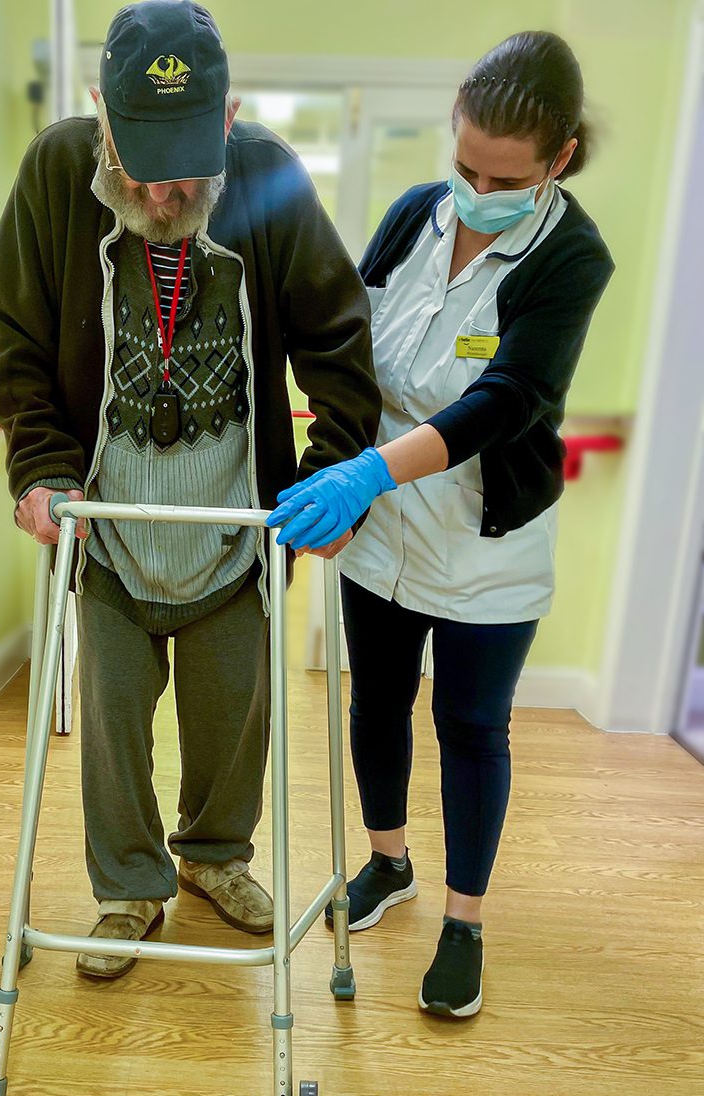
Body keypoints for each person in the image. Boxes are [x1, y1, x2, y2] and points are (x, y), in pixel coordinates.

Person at [0, 0, 380, 978]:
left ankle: (212, 858)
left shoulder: (269, 176)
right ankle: (127, 888)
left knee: (233, 721)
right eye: (142, 163)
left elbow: (337, 337)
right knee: (111, 727)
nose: (164, 193)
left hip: (235, 528)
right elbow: (17, 338)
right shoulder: (52, 172)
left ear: (228, 113)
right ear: (98, 113)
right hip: (108, 529)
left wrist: (333, 474)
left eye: (188, 166)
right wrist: (38, 468)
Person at [269, 31, 614, 1017]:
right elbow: (346, 341)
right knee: (375, 703)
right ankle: (388, 864)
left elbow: (507, 398)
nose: (473, 189)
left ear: (557, 160)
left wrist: (367, 470)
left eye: (502, 176)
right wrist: (333, 468)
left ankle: (462, 920)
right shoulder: (413, 215)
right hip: (376, 528)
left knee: (468, 726)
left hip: (483, 541)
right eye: (462, 165)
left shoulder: (569, 258)